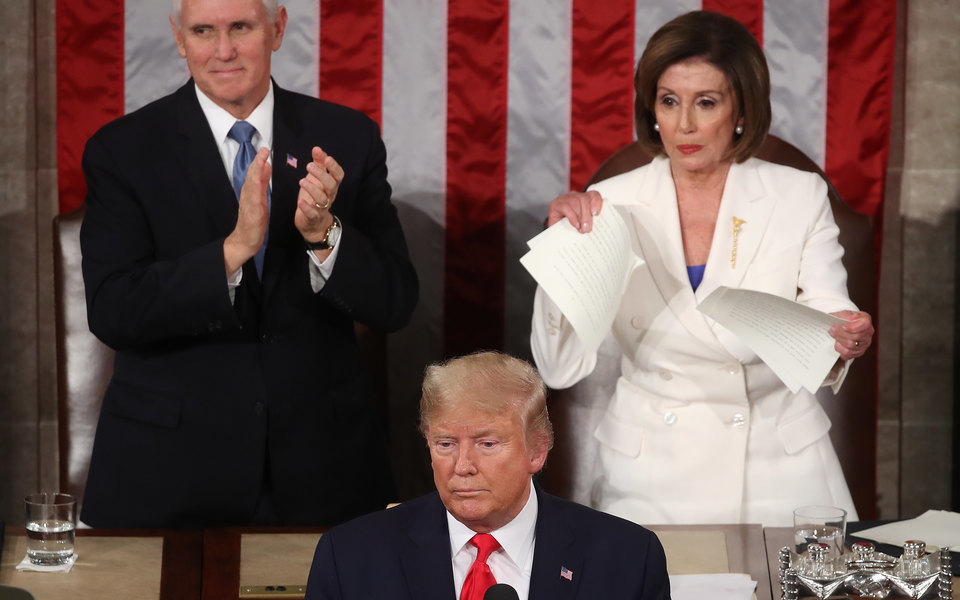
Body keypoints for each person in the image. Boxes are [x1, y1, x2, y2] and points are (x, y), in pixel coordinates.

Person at [78, 0, 418, 528]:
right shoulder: (122, 150)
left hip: (326, 470)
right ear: (178, 37)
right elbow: (114, 312)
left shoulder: (347, 137)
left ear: (277, 29)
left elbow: (396, 301)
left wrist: (323, 235)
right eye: (203, 30)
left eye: (241, 27)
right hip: (171, 474)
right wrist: (232, 251)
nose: (223, 50)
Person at [530, 11, 874, 527]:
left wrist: (843, 338)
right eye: (669, 101)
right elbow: (558, 368)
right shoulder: (608, 205)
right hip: (647, 476)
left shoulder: (798, 194)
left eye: (705, 103)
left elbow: (828, 310)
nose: (684, 125)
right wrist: (563, 254)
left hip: (781, 471)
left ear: (741, 110)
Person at [303, 351, 670, 600]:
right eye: (445, 444)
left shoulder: (627, 559)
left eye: (487, 444)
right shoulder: (351, 559)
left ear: (537, 450)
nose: (462, 466)